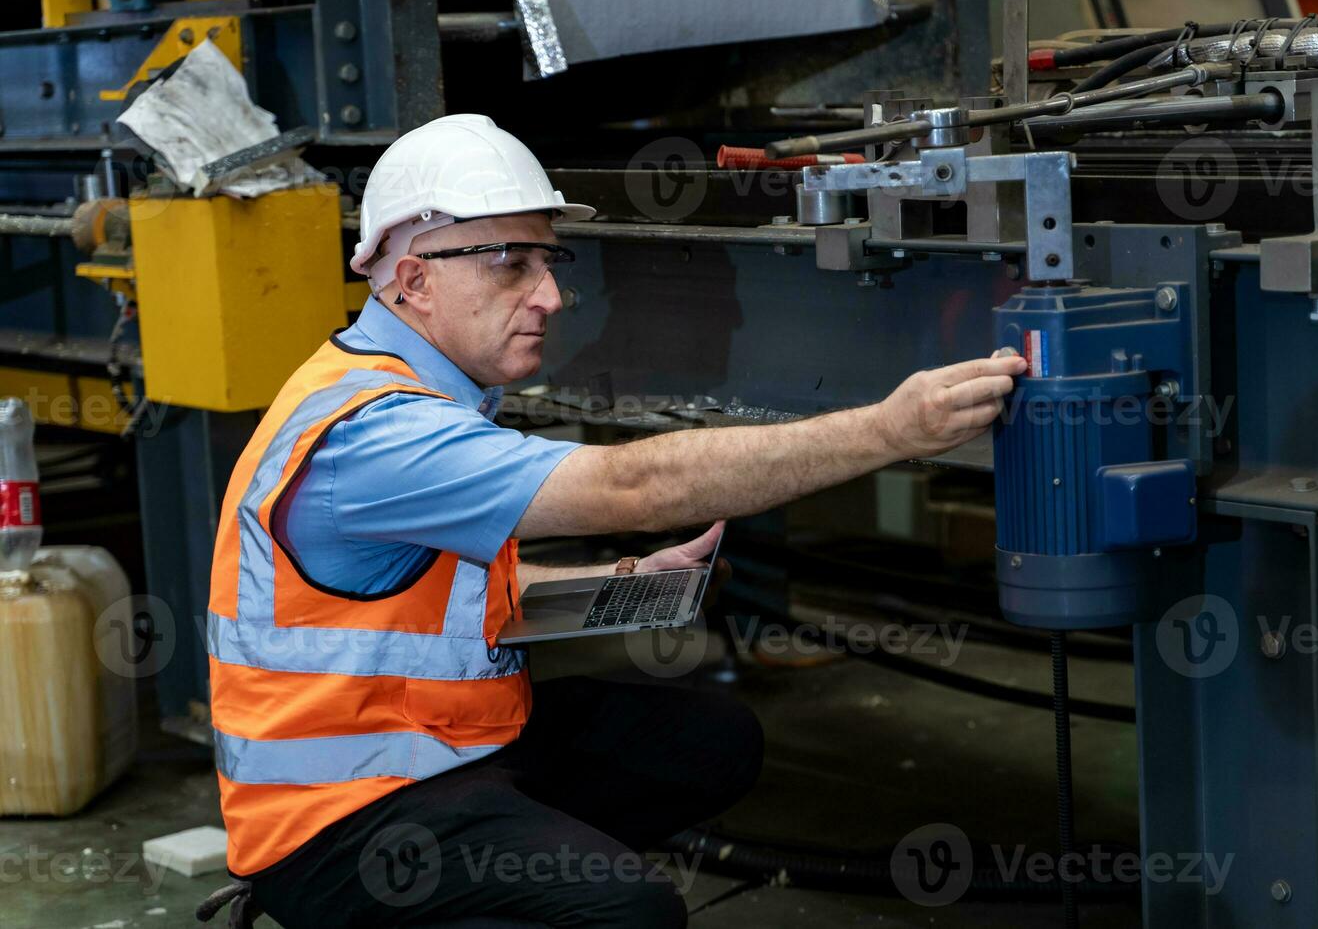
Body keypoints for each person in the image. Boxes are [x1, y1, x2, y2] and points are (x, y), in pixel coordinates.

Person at [204, 114, 1027, 928]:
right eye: (511, 265)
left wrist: (621, 588)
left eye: (549, 262)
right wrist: (889, 431)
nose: (552, 296)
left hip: (430, 752)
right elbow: (633, 485)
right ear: (415, 282)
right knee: (625, 913)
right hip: (337, 822)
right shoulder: (380, 433)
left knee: (708, 744)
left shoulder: (388, 388)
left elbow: (433, 598)